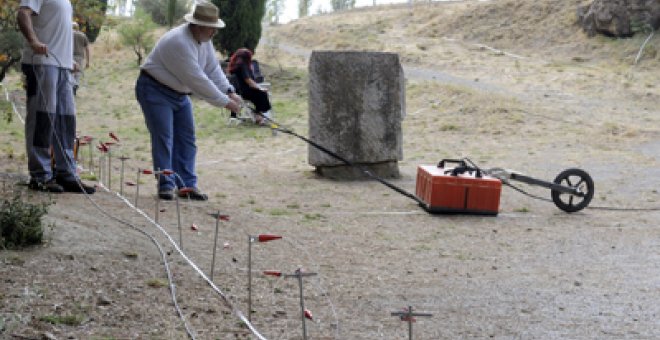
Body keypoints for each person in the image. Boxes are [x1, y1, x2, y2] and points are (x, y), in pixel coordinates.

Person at [135, 2, 242, 201]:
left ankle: (186, 185)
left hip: (179, 94)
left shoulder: (204, 40)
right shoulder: (179, 42)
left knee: (187, 138)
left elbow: (212, 69)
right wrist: (224, 102)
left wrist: (229, 91)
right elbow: (197, 80)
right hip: (154, 89)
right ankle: (166, 185)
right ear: (198, 26)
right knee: (164, 138)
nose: (214, 33)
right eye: (212, 28)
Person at [17, 0, 95, 194]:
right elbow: (23, 13)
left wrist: (68, 60)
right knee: (42, 118)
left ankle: (66, 173)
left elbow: (57, 30)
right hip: (42, 62)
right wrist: (33, 41)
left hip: (61, 65)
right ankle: (40, 175)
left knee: (66, 120)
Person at [228, 48, 272, 124]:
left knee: (259, 94)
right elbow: (248, 80)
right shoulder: (243, 65)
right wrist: (260, 88)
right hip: (245, 91)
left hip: (238, 92)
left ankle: (258, 115)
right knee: (262, 94)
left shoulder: (235, 65)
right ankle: (262, 117)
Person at [72, 21, 90, 96]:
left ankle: (71, 85)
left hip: (70, 56)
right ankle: (75, 85)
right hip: (80, 56)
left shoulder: (68, 34)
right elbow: (87, 49)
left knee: (70, 72)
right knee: (78, 73)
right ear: (78, 28)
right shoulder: (83, 35)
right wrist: (88, 61)